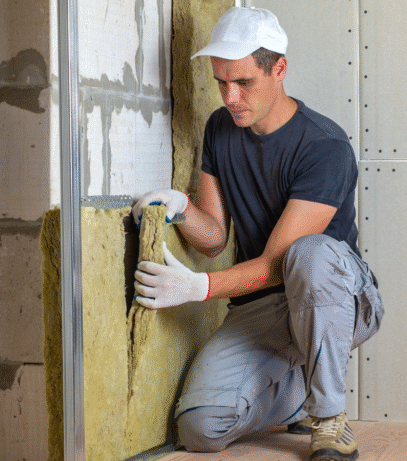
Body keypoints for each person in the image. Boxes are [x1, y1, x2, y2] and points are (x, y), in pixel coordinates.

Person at [131, 6, 384, 461]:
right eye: (221, 82)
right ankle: (298, 388)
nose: (230, 96)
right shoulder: (220, 130)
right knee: (200, 428)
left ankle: (328, 420)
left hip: (335, 294)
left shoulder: (325, 147)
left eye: (243, 82)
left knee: (307, 255)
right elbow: (214, 238)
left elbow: (276, 265)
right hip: (265, 303)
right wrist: (182, 209)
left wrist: (197, 287)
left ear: (279, 69)